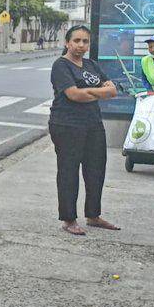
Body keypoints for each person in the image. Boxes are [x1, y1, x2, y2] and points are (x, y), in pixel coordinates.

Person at [49, 25, 119, 236]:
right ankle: (69, 219)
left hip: (93, 123)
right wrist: (101, 92)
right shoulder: (61, 66)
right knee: (69, 171)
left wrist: (89, 91)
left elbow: (113, 90)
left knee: (96, 169)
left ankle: (93, 215)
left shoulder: (91, 65)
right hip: (67, 124)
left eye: (85, 41)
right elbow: (74, 95)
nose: (81, 45)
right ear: (67, 43)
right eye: (76, 40)